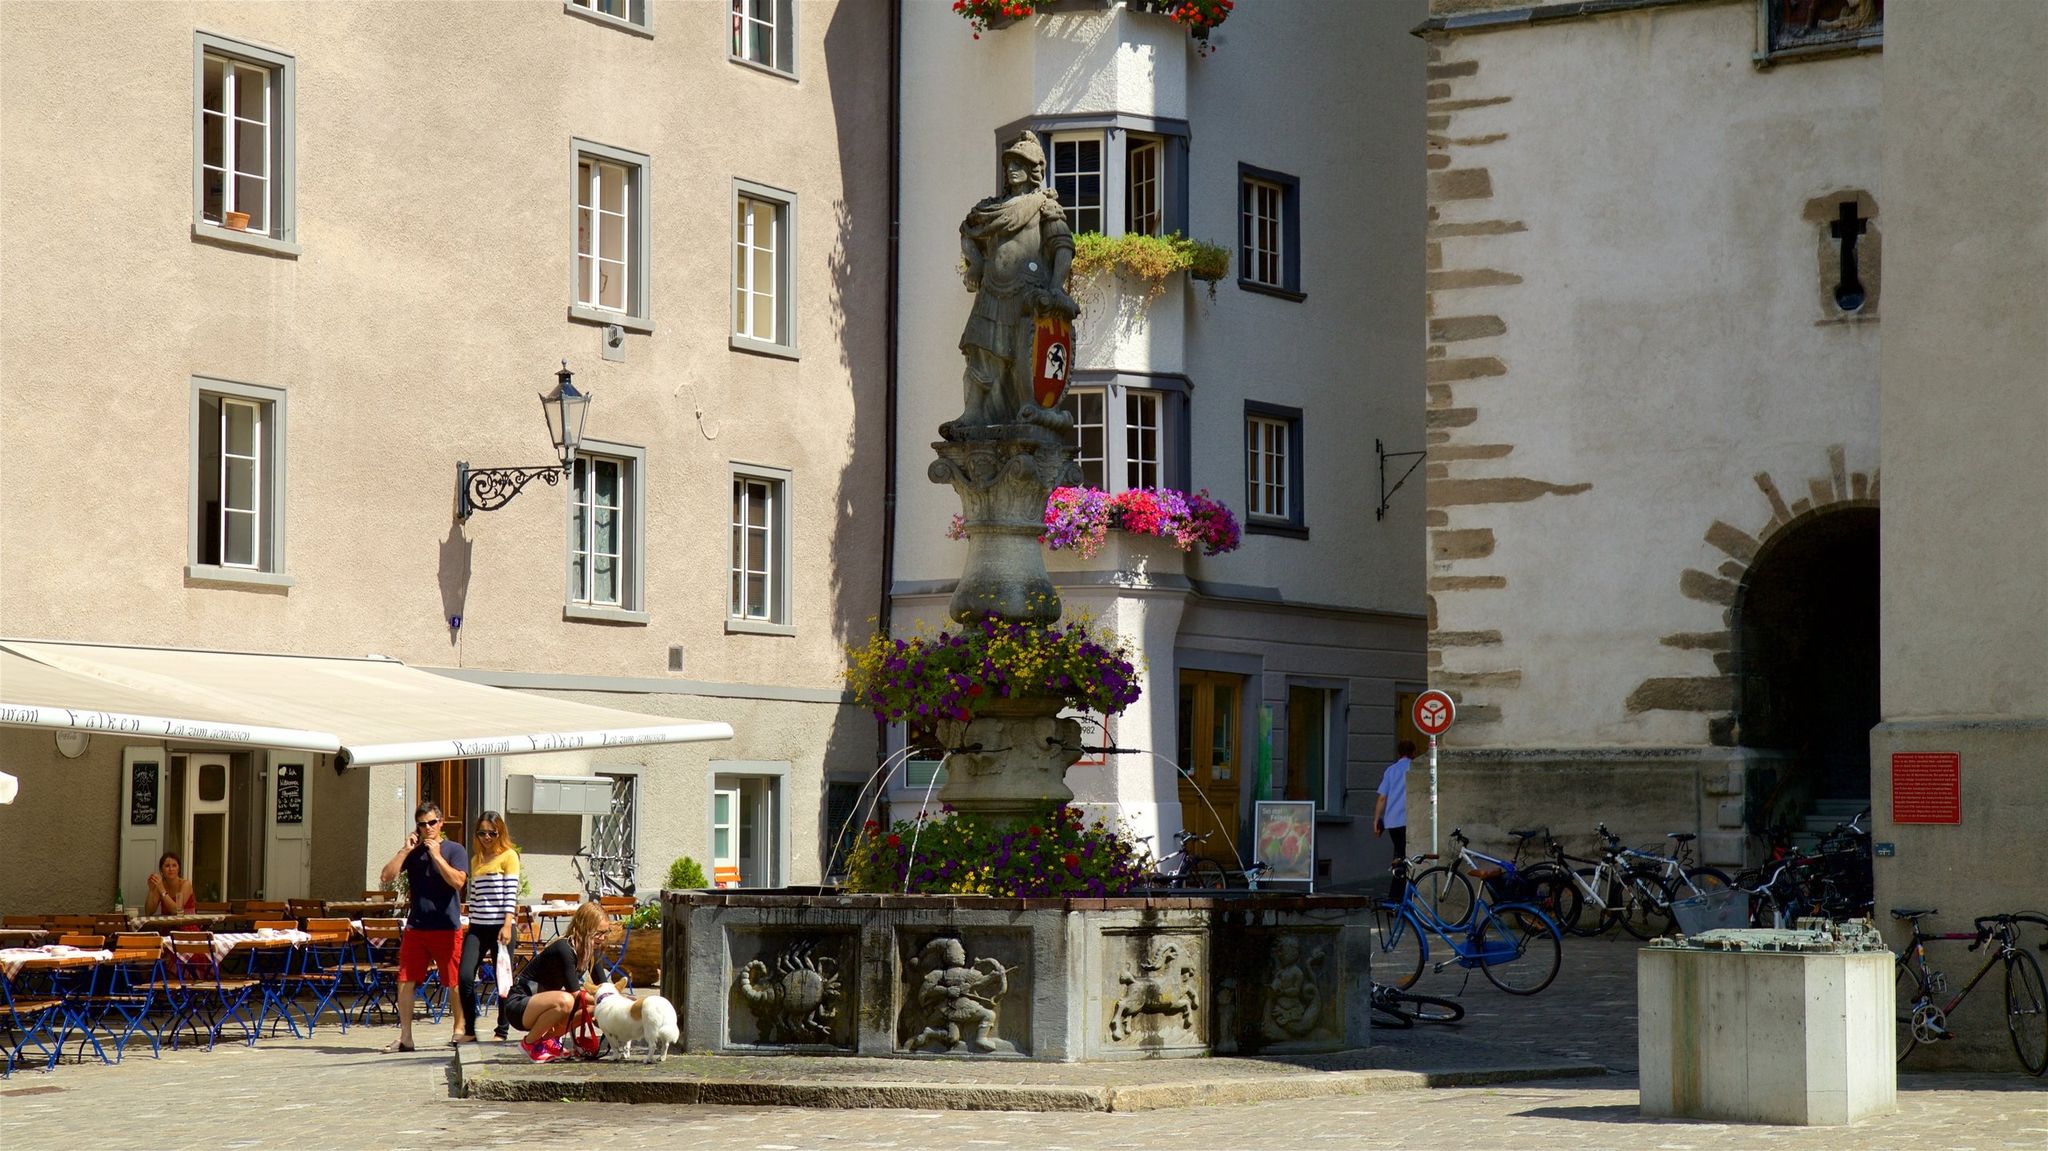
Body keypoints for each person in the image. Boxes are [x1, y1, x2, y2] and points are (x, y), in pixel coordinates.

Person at [949, 130, 1078, 433]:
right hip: (992, 290)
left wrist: (1056, 287)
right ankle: (975, 413)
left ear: (1035, 169)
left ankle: (1026, 409)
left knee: (1023, 355)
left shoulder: (1045, 205)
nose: (1012, 168)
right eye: (1009, 163)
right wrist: (976, 263)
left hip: (1028, 295)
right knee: (980, 352)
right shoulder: (991, 208)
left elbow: (1063, 247)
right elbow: (968, 232)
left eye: (1020, 163)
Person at [377, 800, 467, 1052]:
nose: (427, 828)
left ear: (441, 823)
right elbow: (386, 876)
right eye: (422, 824)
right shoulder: (413, 852)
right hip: (417, 927)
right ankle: (405, 1036)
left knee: (453, 981)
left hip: (446, 927)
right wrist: (404, 851)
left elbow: (458, 882)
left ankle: (459, 1030)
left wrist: (437, 855)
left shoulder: (454, 849)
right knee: (405, 980)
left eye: (431, 823)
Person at [501, 901, 609, 1063]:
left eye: (606, 932)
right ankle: (529, 1044)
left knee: (594, 1008)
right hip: (519, 1005)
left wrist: (617, 1003)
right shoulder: (563, 948)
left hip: (544, 1007)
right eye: (598, 933)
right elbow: (576, 994)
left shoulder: (592, 950)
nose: (602, 938)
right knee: (567, 1000)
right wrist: (608, 1002)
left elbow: (605, 987)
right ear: (585, 929)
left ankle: (547, 1040)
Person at [460, 810, 521, 1044]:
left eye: (492, 833)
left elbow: (510, 893)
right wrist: (470, 920)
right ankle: (469, 1029)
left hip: (500, 926)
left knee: (502, 978)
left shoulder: (508, 856)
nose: (486, 837)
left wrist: (507, 923)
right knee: (465, 975)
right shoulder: (476, 860)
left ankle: (502, 1030)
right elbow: (474, 895)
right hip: (477, 926)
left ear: (500, 832)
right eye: (482, 833)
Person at [1375, 740, 1416, 900]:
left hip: (1392, 822)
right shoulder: (1415, 768)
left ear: (1399, 753)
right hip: (1408, 821)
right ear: (1413, 753)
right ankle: (1396, 898)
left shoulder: (1390, 771)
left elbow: (1382, 797)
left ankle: (1397, 898)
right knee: (1404, 860)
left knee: (1400, 856)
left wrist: (1377, 819)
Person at [143, 851, 196, 915]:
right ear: (161, 870)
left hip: (186, 923)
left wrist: (162, 890)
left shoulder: (185, 884)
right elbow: (148, 912)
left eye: (174, 865)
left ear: (178, 869)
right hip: (167, 923)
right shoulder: (160, 885)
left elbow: (177, 911)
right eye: (167, 866)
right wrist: (151, 890)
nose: (171, 869)